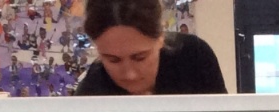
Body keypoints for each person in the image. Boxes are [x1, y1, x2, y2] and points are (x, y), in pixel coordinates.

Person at [74, 0, 226, 96]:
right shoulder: (92, 91)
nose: (130, 75)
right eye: (113, 60)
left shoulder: (194, 57)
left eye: (140, 58)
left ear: (160, 38)